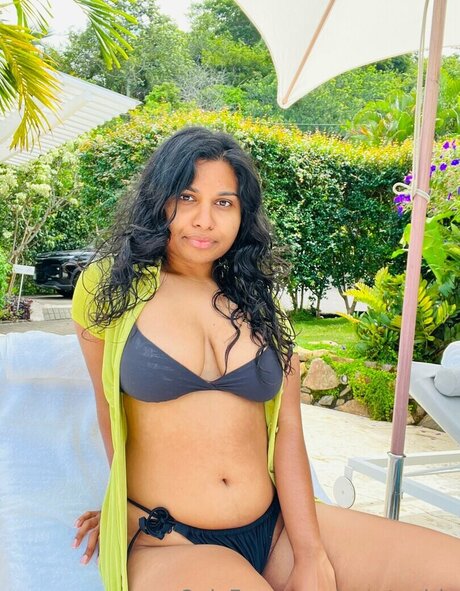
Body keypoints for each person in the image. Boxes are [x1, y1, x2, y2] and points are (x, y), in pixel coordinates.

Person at [71, 126, 460, 591]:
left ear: (243, 214)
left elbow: (289, 430)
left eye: (224, 203)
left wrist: (310, 554)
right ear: (159, 199)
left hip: (275, 529)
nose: (204, 220)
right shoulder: (110, 288)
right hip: (169, 539)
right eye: (187, 197)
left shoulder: (259, 302)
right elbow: (107, 407)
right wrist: (118, 505)